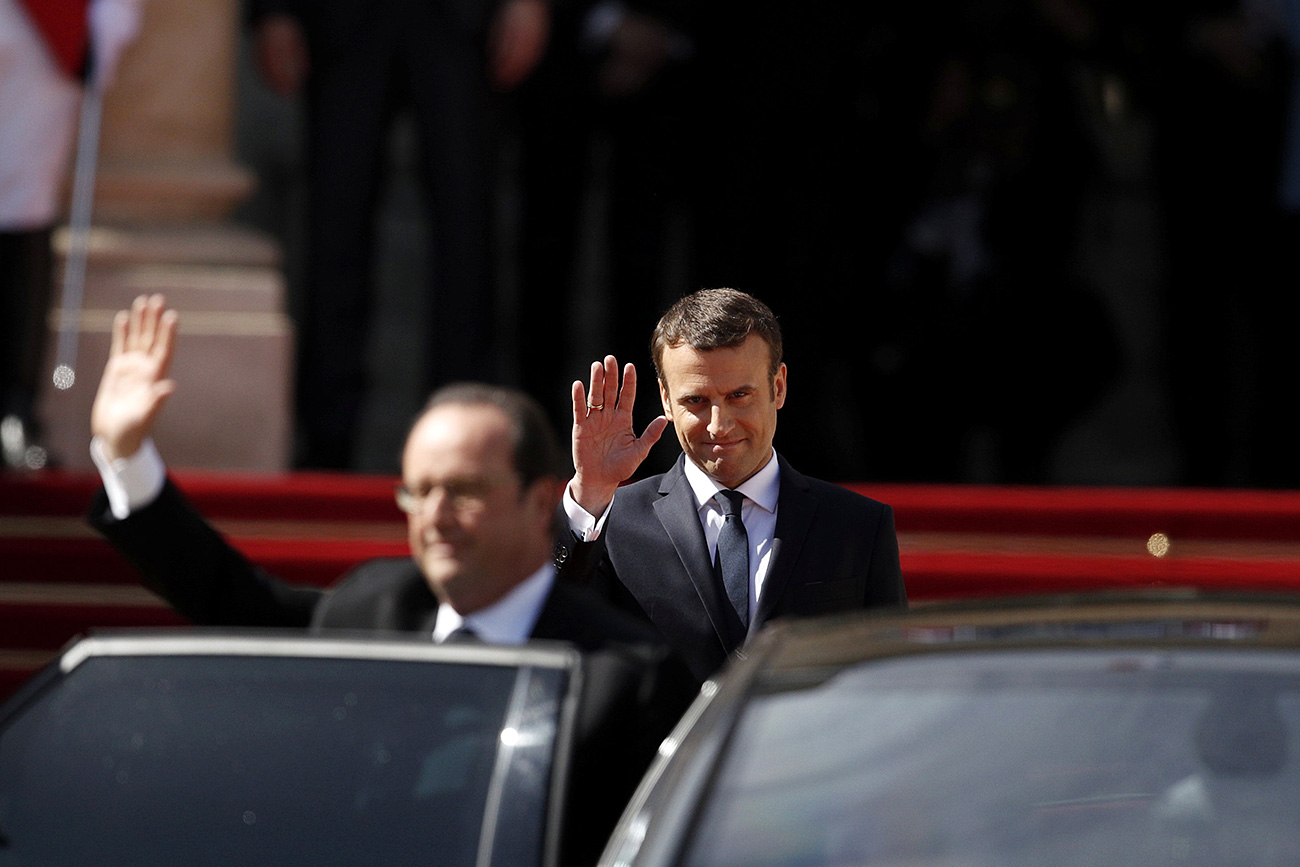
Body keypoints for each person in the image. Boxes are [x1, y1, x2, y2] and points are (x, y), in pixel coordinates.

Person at [86, 294, 693, 866]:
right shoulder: (374, 610)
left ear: (539, 504)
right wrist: (127, 456)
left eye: (464, 491)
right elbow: (233, 599)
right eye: (420, 491)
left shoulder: (624, 679)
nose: (435, 516)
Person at [249, 0, 551, 468]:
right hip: (345, 21)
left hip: (464, 21)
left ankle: (468, 445)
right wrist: (276, 9)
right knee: (333, 234)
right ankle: (326, 450)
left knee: (467, 239)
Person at [559, 288, 906, 681]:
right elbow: (550, 623)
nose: (718, 425)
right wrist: (589, 494)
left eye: (739, 395)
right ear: (666, 399)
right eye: (696, 400)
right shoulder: (612, 521)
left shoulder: (857, 526)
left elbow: (887, 676)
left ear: (778, 387)